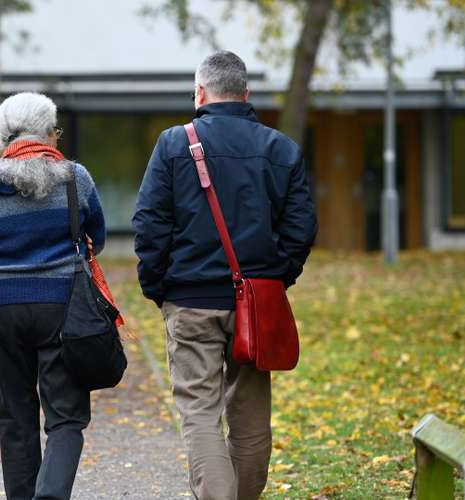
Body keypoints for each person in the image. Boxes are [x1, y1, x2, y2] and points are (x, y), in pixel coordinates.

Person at [133, 51, 317, 500]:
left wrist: (159, 287)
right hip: (257, 302)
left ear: (199, 93)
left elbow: (149, 223)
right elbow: (301, 228)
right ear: (245, 94)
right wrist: (275, 281)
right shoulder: (280, 148)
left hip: (191, 298)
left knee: (199, 412)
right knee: (251, 415)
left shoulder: (174, 144)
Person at [0, 92, 106, 500]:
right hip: (63, 304)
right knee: (66, 416)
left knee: (14, 415)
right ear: (47, 132)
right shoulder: (74, 177)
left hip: (1, 306)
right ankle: (51, 493)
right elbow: (95, 236)